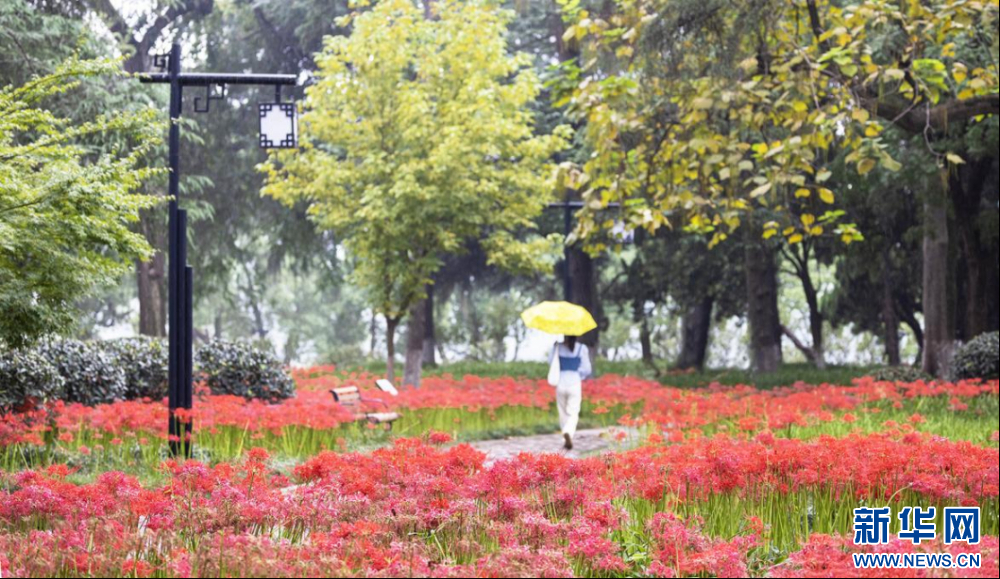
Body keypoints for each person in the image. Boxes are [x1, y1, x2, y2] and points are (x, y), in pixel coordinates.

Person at [548, 335, 592, 450]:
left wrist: (555, 347)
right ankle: (568, 432)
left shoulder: (558, 347)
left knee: (562, 411)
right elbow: (587, 369)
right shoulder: (582, 348)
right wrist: (578, 374)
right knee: (573, 411)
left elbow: (551, 363)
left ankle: (564, 434)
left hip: (561, 382)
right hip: (575, 382)